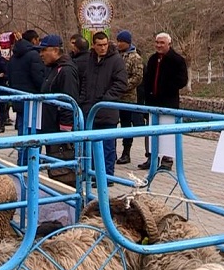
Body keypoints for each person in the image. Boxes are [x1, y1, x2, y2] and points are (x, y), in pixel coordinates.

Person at [79, 31, 127, 179]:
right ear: (93, 45)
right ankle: (94, 174)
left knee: (108, 146)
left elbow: (121, 83)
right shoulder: (90, 60)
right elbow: (85, 81)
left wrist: (106, 99)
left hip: (107, 110)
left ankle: (107, 176)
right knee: (92, 146)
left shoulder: (116, 60)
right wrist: (83, 100)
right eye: (99, 45)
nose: (102, 48)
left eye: (105, 44)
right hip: (90, 108)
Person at [140, 32, 188, 171]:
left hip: (168, 102)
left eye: (162, 43)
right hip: (152, 102)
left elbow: (182, 80)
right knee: (151, 130)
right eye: (157, 42)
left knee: (167, 132)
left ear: (169, 44)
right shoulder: (153, 59)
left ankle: (167, 160)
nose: (159, 45)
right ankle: (151, 157)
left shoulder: (177, 60)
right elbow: (147, 80)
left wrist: (166, 88)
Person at [37, 34, 80, 183]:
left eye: (44, 50)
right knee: (56, 173)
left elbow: (69, 101)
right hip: (51, 129)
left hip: (60, 133)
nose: (41, 54)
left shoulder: (66, 71)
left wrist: (65, 132)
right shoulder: (53, 69)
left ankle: (74, 204)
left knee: (63, 173)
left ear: (55, 50)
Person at [7, 29, 46, 130]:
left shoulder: (13, 57)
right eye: (38, 40)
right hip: (32, 98)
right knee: (33, 128)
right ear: (33, 40)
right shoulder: (34, 55)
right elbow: (38, 77)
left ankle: (22, 145)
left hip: (17, 96)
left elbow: (9, 77)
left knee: (21, 126)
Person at [115, 30, 144, 165]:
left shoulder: (135, 57)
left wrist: (124, 86)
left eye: (121, 42)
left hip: (128, 97)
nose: (119, 44)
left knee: (126, 124)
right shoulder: (115, 56)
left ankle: (126, 152)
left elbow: (137, 77)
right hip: (114, 96)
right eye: (118, 41)